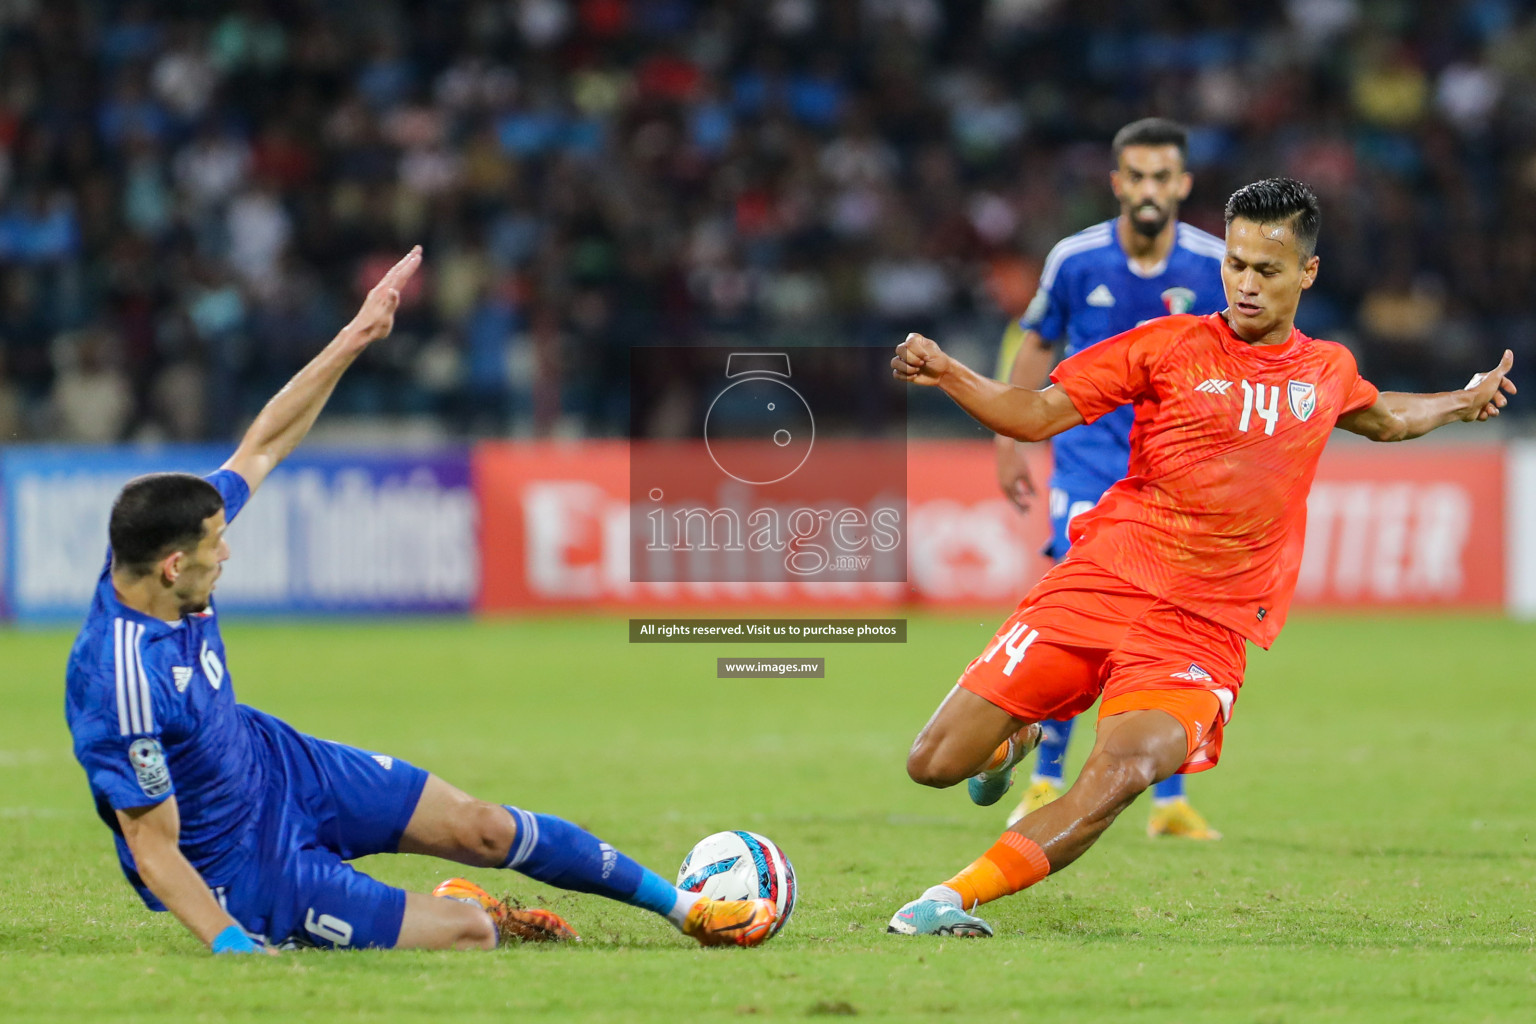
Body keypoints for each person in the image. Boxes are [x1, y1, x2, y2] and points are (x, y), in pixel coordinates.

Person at [65, 247, 778, 953]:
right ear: (169, 567)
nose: (228, 551)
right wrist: (231, 944)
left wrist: (355, 338)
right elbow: (153, 850)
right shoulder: (123, 681)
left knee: (485, 827)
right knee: (469, 936)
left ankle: (685, 909)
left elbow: (262, 447)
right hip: (247, 869)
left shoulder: (166, 538)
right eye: (215, 545)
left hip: (281, 763)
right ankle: (470, 912)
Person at [885, 178, 1515, 937]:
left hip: (1201, 632)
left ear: (1307, 274)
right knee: (934, 762)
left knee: (1121, 773)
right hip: (1103, 582)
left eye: (1268, 270)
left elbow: (1385, 419)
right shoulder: (1168, 345)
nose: (1246, 283)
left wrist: (1459, 401)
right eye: (1236, 265)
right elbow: (1035, 414)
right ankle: (1013, 742)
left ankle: (950, 899)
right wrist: (949, 371)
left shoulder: (1327, 371)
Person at [993, 117, 1225, 838]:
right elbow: (1037, 344)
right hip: (1090, 459)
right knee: (1081, 609)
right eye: (1138, 176)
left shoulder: (1217, 266)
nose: (1151, 189)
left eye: (1165, 176)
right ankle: (1043, 780)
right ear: (1118, 181)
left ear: (1183, 184)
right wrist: (1009, 438)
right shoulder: (1076, 259)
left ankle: (1169, 803)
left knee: (1173, 617)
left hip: (1173, 470)